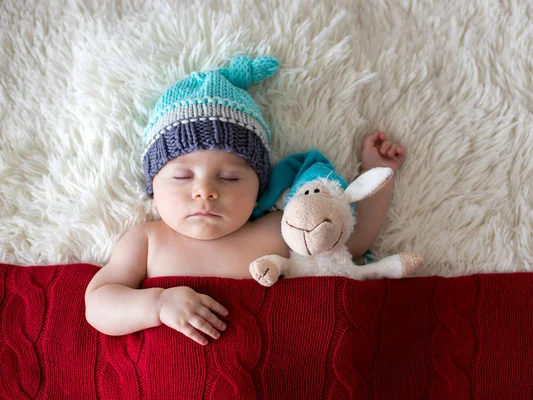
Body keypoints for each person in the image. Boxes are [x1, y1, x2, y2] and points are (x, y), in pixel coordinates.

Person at [85, 56, 406, 346]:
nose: (204, 190)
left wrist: (377, 172)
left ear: (259, 186)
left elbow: (352, 244)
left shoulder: (277, 230)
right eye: (183, 177)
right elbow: (98, 303)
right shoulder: (148, 240)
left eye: (230, 178)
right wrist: (157, 305)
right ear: (152, 184)